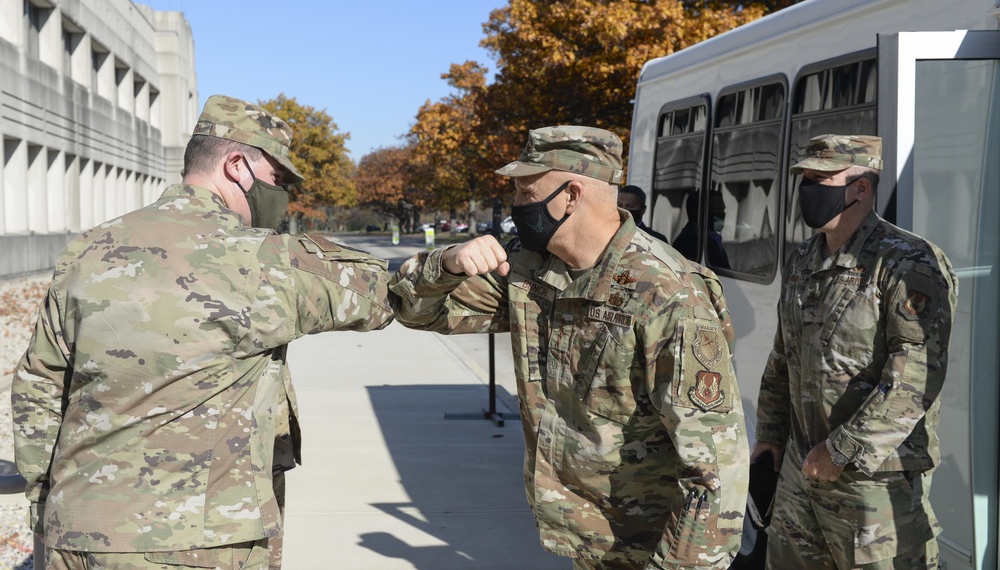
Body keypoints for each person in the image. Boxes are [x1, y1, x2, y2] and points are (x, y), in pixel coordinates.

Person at [12, 95, 395, 569]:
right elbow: (385, 294)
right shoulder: (257, 258)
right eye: (277, 180)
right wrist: (450, 261)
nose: (281, 196)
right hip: (194, 542)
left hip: (77, 531)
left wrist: (44, 509)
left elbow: (39, 385)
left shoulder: (88, 249)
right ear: (237, 166)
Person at [390, 126, 748, 569]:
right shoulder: (531, 272)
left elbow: (715, 469)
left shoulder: (666, 292)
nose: (516, 206)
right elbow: (416, 310)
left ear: (571, 195)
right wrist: (445, 264)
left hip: (652, 550)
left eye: (525, 190)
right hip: (585, 543)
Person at [751, 134, 957, 569]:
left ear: (861, 188)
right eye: (805, 179)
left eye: (822, 179)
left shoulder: (907, 262)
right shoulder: (803, 259)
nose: (809, 190)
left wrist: (842, 449)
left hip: (872, 485)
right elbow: (783, 355)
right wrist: (770, 434)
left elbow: (916, 376)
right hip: (799, 474)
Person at [672, 190, 731, 270]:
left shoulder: (711, 238)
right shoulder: (690, 242)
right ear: (697, 211)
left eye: (722, 209)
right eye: (715, 209)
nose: (721, 213)